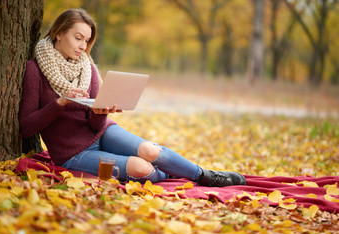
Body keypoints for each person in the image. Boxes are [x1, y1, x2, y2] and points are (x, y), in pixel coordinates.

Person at [19, 8, 246, 187]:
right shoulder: (34, 70)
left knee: (151, 151)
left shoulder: (86, 67)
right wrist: (60, 102)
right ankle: (168, 172)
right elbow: (26, 127)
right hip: (73, 153)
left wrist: (101, 111)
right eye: (78, 38)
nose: (83, 46)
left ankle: (206, 176)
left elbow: (95, 122)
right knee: (142, 168)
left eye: (87, 41)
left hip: (103, 132)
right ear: (59, 32)